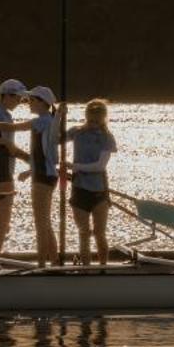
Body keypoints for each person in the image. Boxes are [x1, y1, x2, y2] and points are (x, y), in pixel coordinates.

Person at [0, 79, 39, 270]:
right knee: (1, 221)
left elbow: (9, 147)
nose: (19, 102)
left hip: (3, 167)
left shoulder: (3, 113)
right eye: (18, 98)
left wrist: (28, 158)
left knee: (3, 221)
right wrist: (5, 144)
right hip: (0, 169)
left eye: (22, 99)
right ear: (6, 95)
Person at [63, 99, 117, 266]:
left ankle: (103, 269)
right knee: (84, 233)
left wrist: (73, 166)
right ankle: (85, 270)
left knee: (99, 233)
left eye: (96, 120)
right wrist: (58, 116)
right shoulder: (76, 132)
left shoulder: (107, 137)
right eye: (90, 119)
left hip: (99, 191)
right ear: (86, 116)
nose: (93, 123)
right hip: (79, 190)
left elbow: (99, 166)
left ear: (103, 119)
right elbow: (53, 140)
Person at [24, 86, 63, 266]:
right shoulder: (46, 120)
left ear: (42, 103)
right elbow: (41, 154)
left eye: (31, 100)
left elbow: (10, 127)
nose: (28, 103)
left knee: (40, 223)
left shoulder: (43, 122)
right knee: (45, 222)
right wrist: (29, 170)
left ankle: (40, 265)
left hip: (43, 177)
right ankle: (53, 261)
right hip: (43, 174)